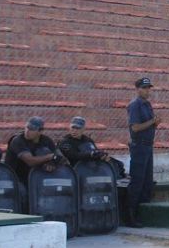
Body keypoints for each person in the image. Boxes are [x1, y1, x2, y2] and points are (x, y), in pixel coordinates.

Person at [126, 77, 160, 228]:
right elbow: (135, 128)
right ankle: (130, 216)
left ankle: (142, 215)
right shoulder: (135, 105)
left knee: (147, 182)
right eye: (145, 88)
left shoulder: (147, 104)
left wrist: (155, 123)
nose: (147, 91)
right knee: (137, 182)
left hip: (147, 146)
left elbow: (148, 126)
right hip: (139, 146)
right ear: (138, 89)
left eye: (148, 88)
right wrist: (153, 122)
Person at [4, 117, 67, 190]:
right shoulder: (17, 140)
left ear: (40, 131)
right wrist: (49, 157)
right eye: (27, 127)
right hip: (14, 178)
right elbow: (30, 161)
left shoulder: (46, 141)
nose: (27, 131)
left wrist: (52, 163)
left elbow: (61, 158)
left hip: (34, 177)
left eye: (32, 129)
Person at [58, 116, 127, 179]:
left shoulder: (87, 140)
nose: (74, 131)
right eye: (73, 128)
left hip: (91, 167)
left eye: (78, 128)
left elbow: (95, 151)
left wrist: (101, 155)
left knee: (118, 164)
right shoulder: (65, 142)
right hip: (76, 170)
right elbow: (73, 156)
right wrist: (91, 154)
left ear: (83, 129)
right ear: (70, 128)